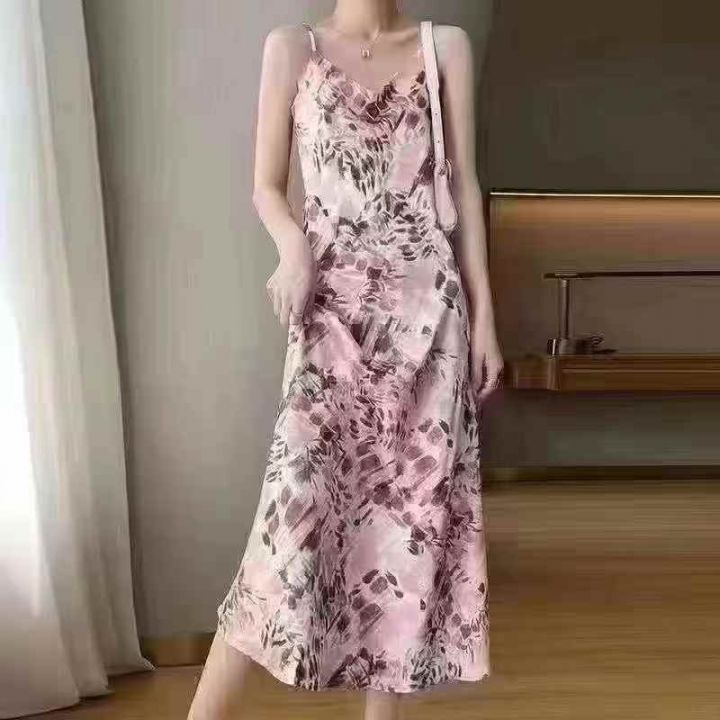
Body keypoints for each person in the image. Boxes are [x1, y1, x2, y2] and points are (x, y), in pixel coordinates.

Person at [188, 2, 502, 718]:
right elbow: (266, 185)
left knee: (406, 533)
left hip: (428, 323)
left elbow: (463, 187)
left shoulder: (444, 48)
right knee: (287, 526)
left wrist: (486, 319)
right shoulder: (292, 48)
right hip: (329, 318)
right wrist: (293, 250)